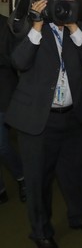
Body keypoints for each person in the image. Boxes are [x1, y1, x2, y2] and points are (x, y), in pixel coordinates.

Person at [5, 0, 82, 248]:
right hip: (38, 120)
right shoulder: (26, 24)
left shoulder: (76, 28)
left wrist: (73, 26)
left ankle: (79, 216)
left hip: (71, 119)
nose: (62, 4)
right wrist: (36, 25)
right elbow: (19, 62)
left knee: (75, 174)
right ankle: (40, 232)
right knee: (38, 181)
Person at [0, 14, 26, 205]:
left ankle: (22, 177)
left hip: (4, 93)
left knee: (1, 144)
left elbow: (14, 60)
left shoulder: (5, 24)